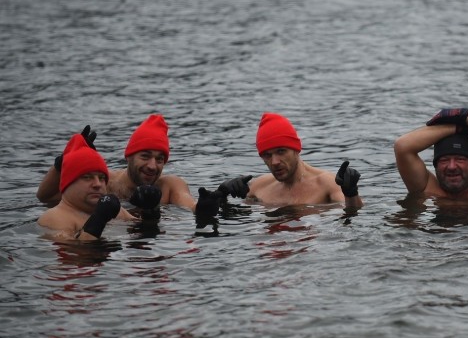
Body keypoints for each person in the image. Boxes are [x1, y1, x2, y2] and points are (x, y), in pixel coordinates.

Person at [36, 115, 248, 226]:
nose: (152, 166)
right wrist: (62, 164)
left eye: (160, 159)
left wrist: (218, 198)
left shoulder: (170, 185)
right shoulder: (104, 181)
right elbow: (46, 198)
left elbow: (192, 207)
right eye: (145, 156)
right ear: (128, 156)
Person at [243, 112, 363, 208]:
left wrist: (351, 193)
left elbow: (352, 217)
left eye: (281, 151)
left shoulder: (328, 184)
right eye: (267, 155)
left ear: (296, 149)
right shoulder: (258, 187)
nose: (275, 162)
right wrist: (223, 197)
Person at [37, 133, 134, 241]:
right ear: (68, 183)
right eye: (87, 177)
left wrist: (150, 211)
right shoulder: (56, 217)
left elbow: (140, 228)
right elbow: (75, 253)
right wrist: (98, 220)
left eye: (102, 178)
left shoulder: (115, 210)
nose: (97, 184)